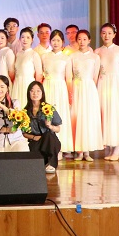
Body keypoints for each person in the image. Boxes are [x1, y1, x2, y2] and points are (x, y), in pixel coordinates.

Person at [95, 23, 119, 161]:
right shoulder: (97, 51)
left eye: (109, 33)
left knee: (115, 114)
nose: (106, 36)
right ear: (100, 34)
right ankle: (108, 146)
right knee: (105, 114)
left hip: (116, 84)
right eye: (104, 33)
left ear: (114, 35)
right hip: (102, 83)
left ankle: (117, 149)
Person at [67, 29, 103, 161]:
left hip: (89, 89)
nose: (82, 42)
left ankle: (87, 151)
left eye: (84, 39)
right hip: (76, 88)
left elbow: (95, 76)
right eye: (79, 39)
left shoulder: (95, 57)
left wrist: (90, 89)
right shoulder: (72, 56)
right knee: (77, 118)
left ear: (89, 40)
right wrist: (71, 92)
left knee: (88, 118)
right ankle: (79, 151)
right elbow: (69, 76)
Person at [41, 30, 73, 158]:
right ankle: (47, 147)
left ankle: (60, 148)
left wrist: (70, 96)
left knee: (60, 116)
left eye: (58, 40)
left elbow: (69, 79)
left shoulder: (66, 58)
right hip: (47, 87)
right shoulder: (44, 56)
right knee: (46, 116)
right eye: (53, 40)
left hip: (60, 88)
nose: (55, 43)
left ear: (63, 42)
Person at [22, 81, 63, 173]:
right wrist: (33, 137)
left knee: (48, 135)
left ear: (42, 93)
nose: (35, 93)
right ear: (29, 93)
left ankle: (52, 164)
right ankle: (44, 162)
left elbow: (58, 129)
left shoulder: (49, 108)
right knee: (37, 166)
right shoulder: (25, 111)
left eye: (38, 91)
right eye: (32, 91)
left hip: (50, 142)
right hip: (36, 142)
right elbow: (23, 133)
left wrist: (50, 126)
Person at [0, 76, 29, 153]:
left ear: (7, 89)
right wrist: (5, 129)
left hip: (16, 140)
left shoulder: (15, 103)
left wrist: (2, 107)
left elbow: (19, 119)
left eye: (2, 87)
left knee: (22, 150)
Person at [12, 28, 43, 107]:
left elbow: (39, 74)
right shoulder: (18, 54)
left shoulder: (34, 54)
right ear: (19, 39)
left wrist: (35, 90)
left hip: (28, 84)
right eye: (23, 37)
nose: (25, 40)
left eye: (28, 37)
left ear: (32, 40)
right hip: (17, 84)